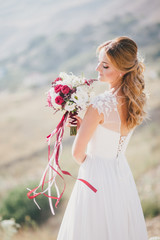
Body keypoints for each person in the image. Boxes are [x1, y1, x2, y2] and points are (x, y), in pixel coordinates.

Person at [57, 36, 148, 240]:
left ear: (122, 70)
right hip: (121, 173)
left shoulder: (99, 104)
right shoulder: (135, 100)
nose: (98, 68)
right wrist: (84, 127)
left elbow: (78, 154)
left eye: (105, 65)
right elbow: (111, 135)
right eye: (99, 62)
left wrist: (79, 133)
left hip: (95, 177)